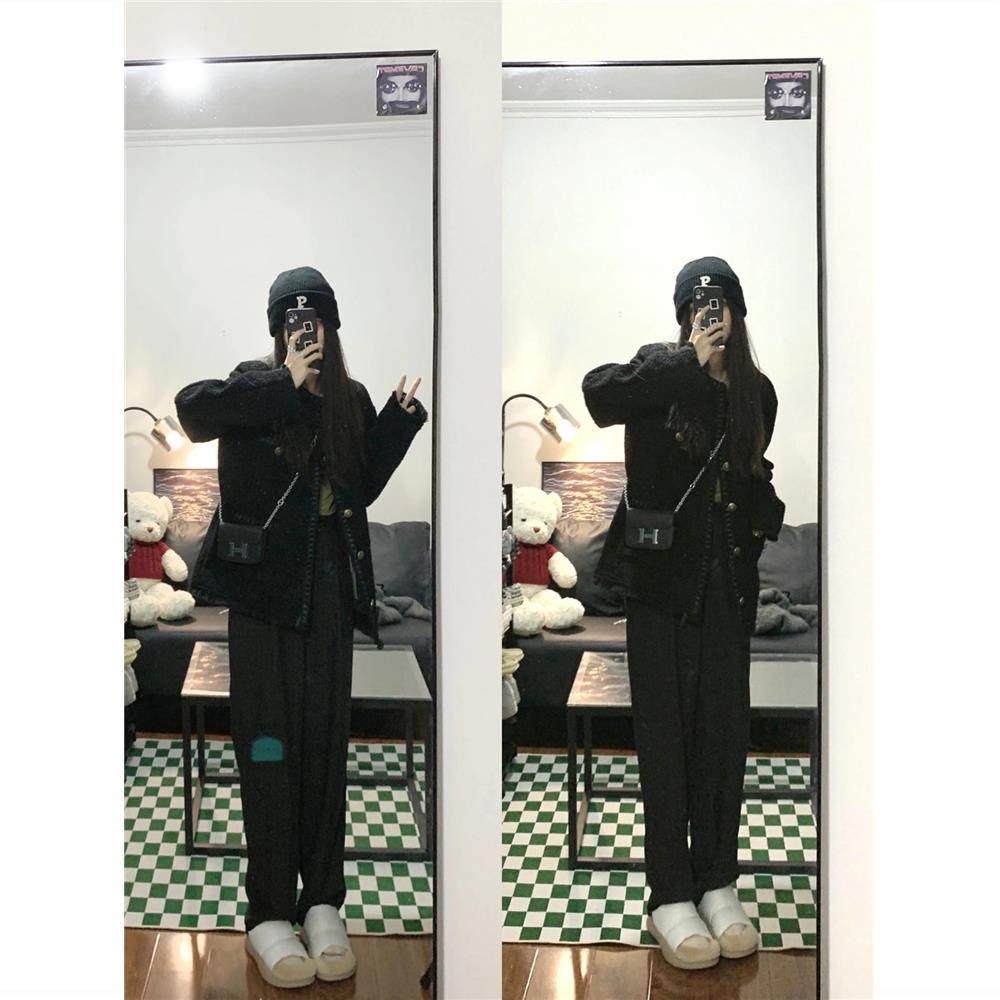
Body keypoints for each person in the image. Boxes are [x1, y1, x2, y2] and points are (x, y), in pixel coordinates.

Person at [174, 266, 427, 989]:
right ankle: (267, 912)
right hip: (262, 603)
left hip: (329, 597)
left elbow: (359, 488)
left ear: (333, 328)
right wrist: (283, 382)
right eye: (292, 321)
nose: (305, 332)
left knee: (322, 750)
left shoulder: (349, 400)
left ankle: (322, 903)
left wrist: (395, 424)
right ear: (277, 330)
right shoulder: (252, 388)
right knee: (267, 749)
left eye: (315, 322)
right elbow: (192, 410)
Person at [581, 257, 785, 971]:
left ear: (739, 311)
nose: (712, 314)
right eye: (699, 305)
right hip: (658, 594)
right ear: (681, 315)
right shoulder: (657, 372)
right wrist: (687, 365)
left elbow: (748, 475)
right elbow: (596, 394)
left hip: (728, 592)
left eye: (722, 302)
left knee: (723, 740)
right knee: (663, 741)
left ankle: (718, 882)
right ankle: (670, 891)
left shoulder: (757, 393)